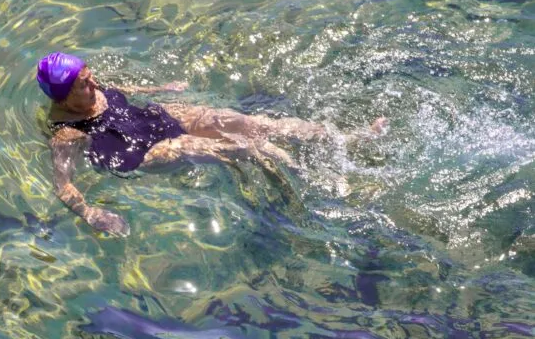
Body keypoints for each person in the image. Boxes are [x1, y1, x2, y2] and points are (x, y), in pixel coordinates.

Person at [38, 52, 386, 236]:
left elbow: (123, 92)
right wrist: (92, 214)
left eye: (89, 74)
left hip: (149, 118)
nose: (94, 82)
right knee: (243, 147)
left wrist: (159, 91)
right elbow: (62, 184)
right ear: (66, 100)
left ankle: (349, 138)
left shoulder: (89, 89)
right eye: (84, 83)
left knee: (248, 123)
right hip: (137, 151)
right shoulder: (66, 133)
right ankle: (321, 183)